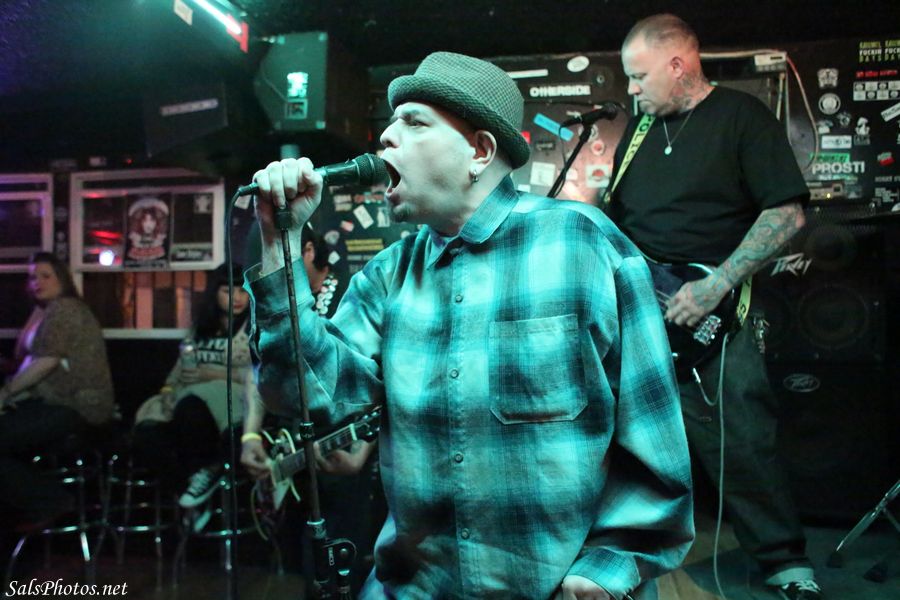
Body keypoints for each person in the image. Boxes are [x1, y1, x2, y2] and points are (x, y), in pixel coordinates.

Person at [247, 51, 693, 599]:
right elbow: (304, 394)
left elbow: (653, 437)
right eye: (390, 123)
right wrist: (280, 244)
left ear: (479, 151)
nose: (385, 137)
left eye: (413, 122)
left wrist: (607, 568)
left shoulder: (585, 244)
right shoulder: (387, 276)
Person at [606, 14, 820, 600]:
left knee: (740, 439)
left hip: (716, 307)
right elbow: (618, 222)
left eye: (639, 76)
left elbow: (787, 214)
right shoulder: (640, 132)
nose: (632, 90)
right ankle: (623, 555)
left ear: (678, 65)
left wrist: (716, 285)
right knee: (626, 436)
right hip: (643, 309)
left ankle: (783, 559)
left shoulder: (740, 118)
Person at [240, 223, 380, 594]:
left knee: (339, 569)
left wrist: (362, 452)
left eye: (275, 261)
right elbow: (256, 371)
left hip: (343, 451)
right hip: (290, 451)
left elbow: (382, 375)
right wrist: (250, 434)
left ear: (307, 251)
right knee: (307, 569)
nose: (268, 273)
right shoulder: (271, 302)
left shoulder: (350, 293)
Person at [132, 262, 255, 524]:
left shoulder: (256, 328)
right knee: (147, 433)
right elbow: (180, 369)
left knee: (191, 408)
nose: (237, 298)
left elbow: (260, 376)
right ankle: (191, 491)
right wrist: (168, 391)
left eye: (242, 291)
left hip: (231, 400)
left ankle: (205, 477)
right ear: (214, 293)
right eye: (228, 291)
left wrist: (213, 375)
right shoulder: (200, 328)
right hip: (187, 396)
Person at [0, 252, 115, 530]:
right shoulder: (49, 310)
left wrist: (6, 393)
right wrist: (37, 310)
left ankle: (50, 499)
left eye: (45, 276)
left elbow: (46, 361)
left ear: (62, 279)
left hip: (76, 405)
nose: (36, 282)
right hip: (52, 402)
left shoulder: (67, 309)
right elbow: (21, 354)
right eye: (32, 277)